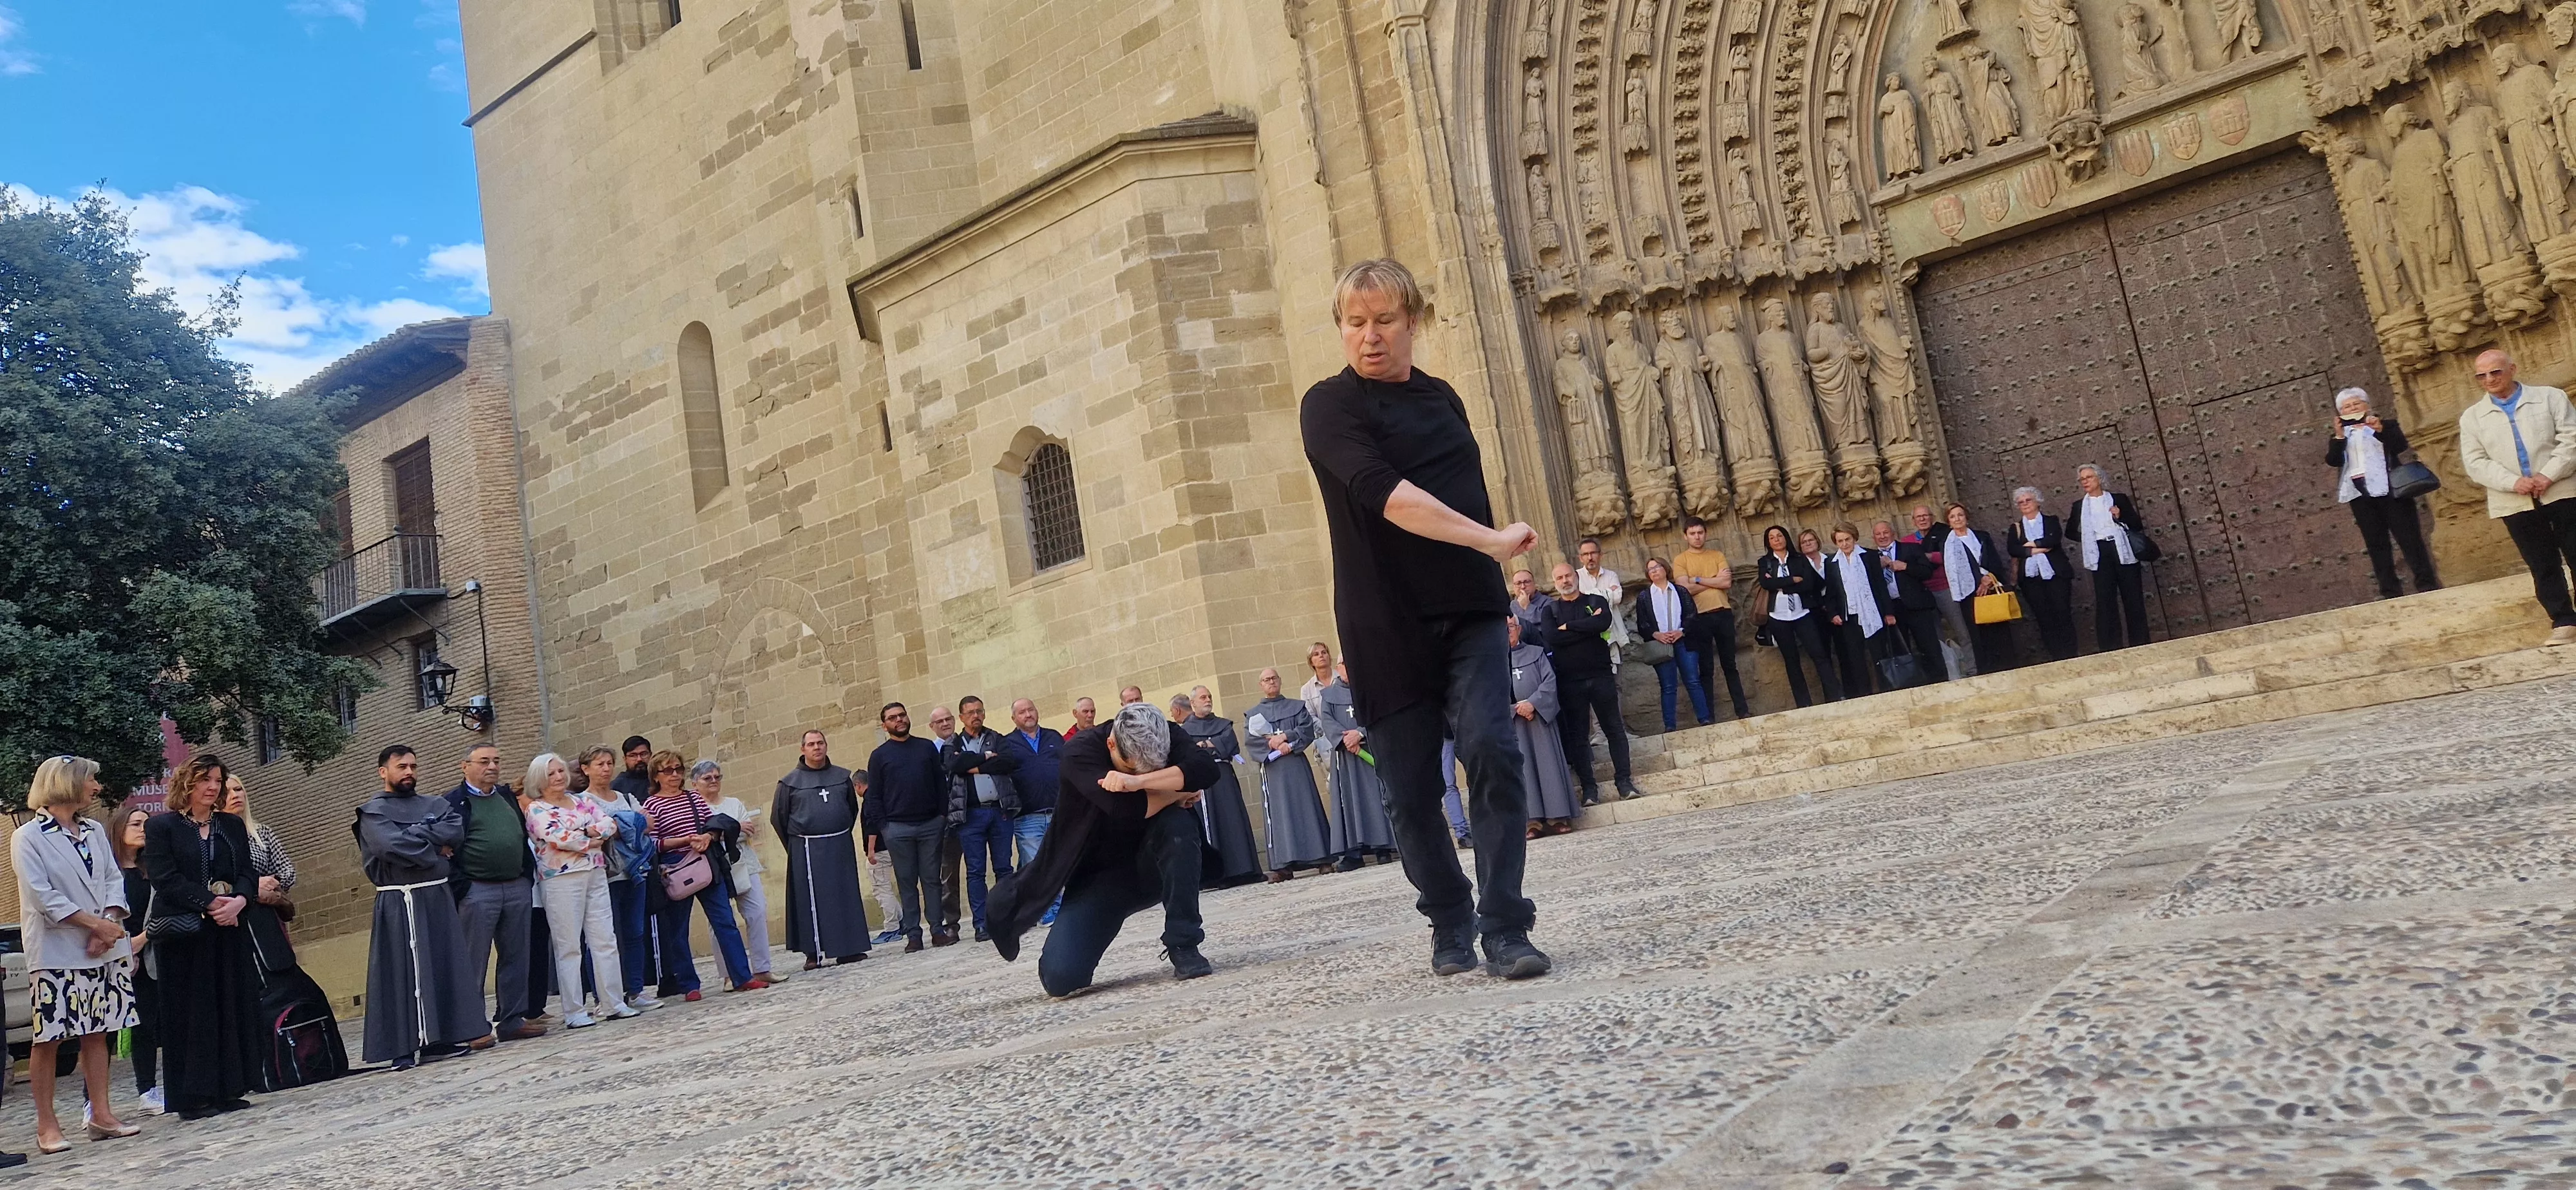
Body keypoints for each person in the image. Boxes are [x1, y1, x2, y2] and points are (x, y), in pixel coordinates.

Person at [1298, 256, 1548, 979]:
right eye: (1354, 323)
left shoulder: (1444, 398)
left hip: (1468, 606)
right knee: (1409, 792)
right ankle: (1448, 916)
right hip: (1383, 620)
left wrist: (1482, 555)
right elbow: (1387, 495)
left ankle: (1506, 925)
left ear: (1412, 321)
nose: (1369, 336)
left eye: (1384, 320)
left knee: (1491, 751)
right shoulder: (1328, 406)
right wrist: (1490, 541)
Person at [987, 703, 1225, 992]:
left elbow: (1206, 769)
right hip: (1101, 879)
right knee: (1061, 978)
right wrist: (1179, 790)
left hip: (1155, 864)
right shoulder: (1080, 752)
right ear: (1112, 744)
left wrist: (1137, 780)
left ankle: (1183, 943)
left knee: (1179, 826)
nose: (1142, 771)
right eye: (1131, 766)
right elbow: (1125, 809)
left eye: (1153, 767)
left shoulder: (1164, 732)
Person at [15, 756, 139, 1155]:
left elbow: (113, 879)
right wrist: (95, 925)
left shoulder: (95, 831)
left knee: (98, 1031)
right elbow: (41, 895)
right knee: (50, 1037)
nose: (97, 787)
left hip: (101, 947)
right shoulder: (28, 836)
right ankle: (47, 1125)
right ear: (67, 783)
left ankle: (101, 1114)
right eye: (91, 780)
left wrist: (109, 923)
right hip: (57, 950)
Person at [140, 756, 262, 1118]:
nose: (212, 787)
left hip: (227, 928)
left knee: (229, 1005)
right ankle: (192, 1098)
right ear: (186, 783)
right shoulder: (162, 827)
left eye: (218, 781)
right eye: (205, 780)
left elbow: (247, 872)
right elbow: (165, 878)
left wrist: (239, 902)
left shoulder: (230, 825)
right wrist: (209, 902)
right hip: (185, 936)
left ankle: (228, 1087)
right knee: (191, 1013)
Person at [356, 746, 489, 1070]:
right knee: (399, 972)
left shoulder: (436, 804)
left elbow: (454, 832)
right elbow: (389, 846)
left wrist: (414, 835)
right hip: (397, 900)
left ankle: (440, 1042)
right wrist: (434, 849)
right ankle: (402, 1048)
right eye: (401, 767)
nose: (409, 772)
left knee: (441, 966)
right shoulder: (373, 812)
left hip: (435, 897)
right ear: (383, 772)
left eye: (413, 766)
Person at [223, 775, 346, 1090]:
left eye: (239, 789)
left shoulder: (261, 833)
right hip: (236, 926)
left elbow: (288, 872)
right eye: (228, 791)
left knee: (300, 989)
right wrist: (253, 886)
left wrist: (271, 885)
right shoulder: (216, 838)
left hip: (269, 923)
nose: (236, 795)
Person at [2461, 349, 2576, 644]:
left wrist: (2549, 474)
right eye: (2481, 375)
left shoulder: (2550, 397)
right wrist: (2513, 483)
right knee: (2542, 563)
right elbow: (2476, 462)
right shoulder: (2472, 418)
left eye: (2495, 372)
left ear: (2512, 369)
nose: (2489, 379)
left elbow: (2571, 439)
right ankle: (2564, 621)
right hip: (2514, 501)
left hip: (2562, 490)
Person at [442, 743, 544, 1043]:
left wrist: (525, 877)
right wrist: (463, 887)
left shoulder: (506, 796)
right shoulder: (452, 803)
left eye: (496, 761)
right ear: (465, 766)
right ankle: (473, 1027)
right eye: (484, 761)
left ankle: (512, 1020)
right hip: (477, 890)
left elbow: (520, 836)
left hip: (515, 887)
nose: (492, 767)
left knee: (516, 956)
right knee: (473, 960)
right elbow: (444, 849)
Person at [526, 753, 636, 1028]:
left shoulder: (582, 801)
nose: (558, 777)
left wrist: (584, 834)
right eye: (551, 773)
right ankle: (574, 1010)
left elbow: (609, 824)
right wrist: (589, 836)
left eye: (561, 771)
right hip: (561, 879)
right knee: (569, 946)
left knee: (605, 939)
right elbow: (559, 838)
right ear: (539, 778)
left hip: (595, 872)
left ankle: (613, 1003)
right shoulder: (537, 809)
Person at [642, 751, 763, 997]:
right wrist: (685, 841)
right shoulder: (651, 805)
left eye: (678, 769)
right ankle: (689, 986)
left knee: (725, 921)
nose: (675, 775)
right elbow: (652, 843)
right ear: (656, 776)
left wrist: (708, 837)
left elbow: (714, 825)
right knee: (678, 930)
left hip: (705, 862)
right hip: (675, 868)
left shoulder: (694, 798)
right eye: (668, 770)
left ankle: (742, 976)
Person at [772, 730, 872, 968]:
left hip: (839, 844)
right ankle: (813, 953)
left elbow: (851, 810)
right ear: (803, 749)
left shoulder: (841, 777)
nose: (817, 748)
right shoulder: (789, 783)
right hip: (806, 848)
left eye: (820, 743)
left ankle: (848, 949)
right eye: (811, 744)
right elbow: (779, 818)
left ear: (826, 746)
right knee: (810, 901)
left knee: (844, 895)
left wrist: (837, 830)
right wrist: (797, 846)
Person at [2329, 386, 2442, 600]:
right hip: (2360, 495)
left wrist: (2379, 430)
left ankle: (2427, 584)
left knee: (2409, 538)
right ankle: (2390, 591)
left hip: (2392, 490)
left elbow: (2399, 446)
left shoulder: (2385, 425)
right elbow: (2333, 460)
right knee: (2376, 543)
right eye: (2346, 407)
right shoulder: (2342, 436)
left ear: (2367, 406)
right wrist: (2339, 436)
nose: (2352, 409)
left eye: (2356, 404)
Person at [1540, 560, 1638, 804]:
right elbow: (1552, 637)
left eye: (1568, 576)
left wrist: (1569, 627)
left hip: (1601, 676)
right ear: (1555, 583)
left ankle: (1624, 782)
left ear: (1576, 577)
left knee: (1614, 730)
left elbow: (1602, 623)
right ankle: (1589, 789)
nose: (1565, 581)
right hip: (1570, 682)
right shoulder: (1551, 611)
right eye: (1559, 578)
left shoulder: (1595, 601)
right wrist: (1586, 629)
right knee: (1579, 736)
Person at [864, 703, 954, 950]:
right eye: (892, 718)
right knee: (906, 882)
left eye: (902, 715)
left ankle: (937, 929)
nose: (899, 720)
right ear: (885, 726)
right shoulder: (879, 756)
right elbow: (874, 796)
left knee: (932, 879)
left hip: (930, 825)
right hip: (897, 829)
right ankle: (914, 934)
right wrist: (884, 827)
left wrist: (941, 816)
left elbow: (940, 784)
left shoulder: (925, 747)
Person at [579, 746, 663, 1009]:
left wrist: (617, 824)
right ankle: (603, 996)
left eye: (609, 763)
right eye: (599, 764)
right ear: (586, 769)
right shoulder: (582, 802)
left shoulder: (625, 797)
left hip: (634, 872)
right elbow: (594, 832)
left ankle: (636, 990)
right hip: (604, 875)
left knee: (635, 932)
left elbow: (649, 824)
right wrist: (628, 824)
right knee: (603, 937)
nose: (606, 769)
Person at [693, 760, 783, 984]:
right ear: (695, 783)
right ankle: (728, 974)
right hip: (713, 866)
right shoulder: (694, 808)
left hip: (743, 863)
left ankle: (762, 968)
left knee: (757, 911)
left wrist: (720, 832)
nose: (714, 781)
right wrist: (733, 828)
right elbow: (703, 835)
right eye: (707, 778)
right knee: (719, 920)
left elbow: (747, 831)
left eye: (717, 777)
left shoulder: (734, 804)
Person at [1245, 666, 1334, 882]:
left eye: (1274, 678)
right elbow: (1252, 741)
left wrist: (1288, 740)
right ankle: (1283, 866)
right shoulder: (1253, 714)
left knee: (1307, 808)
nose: (1271, 682)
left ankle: (1321, 858)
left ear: (1280, 680)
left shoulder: (1297, 707)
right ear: (1261, 685)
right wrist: (1276, 747)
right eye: (1267, 680)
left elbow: (1307, 730)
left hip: (1296, 764)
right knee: (1280, 815)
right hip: (1273, 770)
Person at [1316, 662, 1399, 868]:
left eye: (1349, 662)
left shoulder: (1368, 689)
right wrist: (1345, 740)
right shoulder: (1329, 696)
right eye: (1343, 664)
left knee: (1376, 798)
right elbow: (1327, 722)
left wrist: (1360, 733)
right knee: (1349, 802)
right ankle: (1354, 853)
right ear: (1338, 668)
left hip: (1371, 751)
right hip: (1346, 758)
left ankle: (1383, 848)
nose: (1347, 667)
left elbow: (1378, 714)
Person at [1180, 686, 1264, 887]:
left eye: (1209, 697)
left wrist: (1204, 745)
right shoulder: (1184, 731)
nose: (1208, 700)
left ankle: (1244, 870)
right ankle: (1218, 875)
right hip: (1202, 781)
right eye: (1203, 697)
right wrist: (1213, 745)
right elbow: (1188, 752)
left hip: (1224, 778)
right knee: (1211, 825)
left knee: (1233, 821)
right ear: (1193, 703)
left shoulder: (1223, 724)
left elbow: (1230, 743)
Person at [111, 806, 165, 1116]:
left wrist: (140, 942)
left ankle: (147, 1090)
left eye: (147, 823)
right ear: (120, 830)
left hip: (148, 954)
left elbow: (160, 912)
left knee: (146, 1024)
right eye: (136, 824)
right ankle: (92, 1102)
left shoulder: (153, 870)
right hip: (113, 955)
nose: (143, 829)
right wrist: (124, 948)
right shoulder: (109, 872)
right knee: (104, 1031)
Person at [1504, 618, 1578, 837]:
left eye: (1510, 627)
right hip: (1514, 725)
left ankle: (1557, 817)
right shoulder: (1492, 661)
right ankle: (1532, 822)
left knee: (1549, 767)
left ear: (1519, 629)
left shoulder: (1536, 654)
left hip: (1539, 720)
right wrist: (1515, 709)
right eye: (1502, 628)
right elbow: (1489, 693)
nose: (1507, 632)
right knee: (1523, 770)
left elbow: (1549, 682)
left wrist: (1533, 704)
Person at [1672, 516, 1752, 719]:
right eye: (1692, 533)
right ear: (1685, 536)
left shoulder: (1717, 555)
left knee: (1730, 664)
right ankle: (1709, 716)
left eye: (1700, 532)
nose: (1697, 537)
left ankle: (1742, 710)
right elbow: (1684, 589)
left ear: (1705, 534)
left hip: (1723, 612)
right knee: (1706, 668)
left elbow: (1726, 583)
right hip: (1699, 617)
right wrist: (1714, 581)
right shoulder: (1681, 560)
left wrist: (1697, 579)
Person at [1757, 524, 1841, 706]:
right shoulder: (1765, 562)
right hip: (1779, 616)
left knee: (1819, 654)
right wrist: (1793, 580)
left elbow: (1809, 584)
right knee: (1791, 661)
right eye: (1772, 538)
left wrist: (1781, 586)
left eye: (1779, 536)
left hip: (1802, 613)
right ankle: (1804, 704)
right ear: (1768, 543)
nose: (1777, 540)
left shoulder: (1799, 558)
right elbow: (1766, 584)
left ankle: (1836, 695)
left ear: (1786, 537)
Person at [2069, 463, 2151, 650]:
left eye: (2089, 477)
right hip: (2100, 553)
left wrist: (2120, 516)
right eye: (2082, 479)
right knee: (2105, 600)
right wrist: (2090, 539)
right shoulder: (2079, 506)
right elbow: (2070, 532)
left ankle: (2141, 644)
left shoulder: (2118, 499)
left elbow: (2136, 524)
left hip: (2122, 549)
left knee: (2133, 598)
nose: (2085, 482)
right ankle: (2110, 647)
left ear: (2099, 479)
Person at [999, 699, 1064, 926]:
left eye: (1031, 710)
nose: (1028, 715)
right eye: (1022, 712)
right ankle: (1046, 911)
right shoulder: (1006, 744)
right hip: (1028, 817)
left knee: (1060, 862)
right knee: (1036, 866)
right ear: (1014, 719)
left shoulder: (1053, 737)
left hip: (1058, 812)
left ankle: (1060, 907)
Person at [1821, 522, 1898, 696]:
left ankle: (1887, 691)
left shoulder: (1869, 556)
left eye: (1847, 539)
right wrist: (1833, 613)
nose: (1844, 544)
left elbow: (1880, 586)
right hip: (1850, 617)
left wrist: (1888, 612)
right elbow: (1832, 591)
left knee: (1879, 654)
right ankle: (1864, 695)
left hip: (1872, 613)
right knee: (1856, 658)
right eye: (1840, 541)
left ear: (1854, 538)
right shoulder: (1832, 562)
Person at [1943, 501, 2019, 673]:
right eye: (1953, 517)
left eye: (1960, 515)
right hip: (1970, 593)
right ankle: (1988, 671)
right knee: (1978, 633)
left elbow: (1994, 559)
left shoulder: (1982, 536)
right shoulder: (1948, 544)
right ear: (1949, 521)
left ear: (1967, 517)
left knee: (2000, 628)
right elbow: (1955, 570)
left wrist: (1989, 578)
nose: (1957, 519)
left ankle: (2009, 667)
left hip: (1992, 587)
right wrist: (1979, 581)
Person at [1634, 556, 1706, 731]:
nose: (1654, 571)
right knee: (1668, 686)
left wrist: (1681, 631)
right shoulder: (1644, 597)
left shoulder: (1680, 591)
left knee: (1693, 681)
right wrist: (1656, 634)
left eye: (1657, 567)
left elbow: (1692, 615)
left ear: (1666, 568)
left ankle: (1705, 719)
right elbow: (1642, 623)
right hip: (1661, 644)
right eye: (1650, 569)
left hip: (1684, 641)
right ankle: (1670, 726)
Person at [2005, 486, 2078, 661]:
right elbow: (2013, 549)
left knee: (2063, 614)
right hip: (2031, 580)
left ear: (2037, 501)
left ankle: (2071, 655)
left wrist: (2030, 544)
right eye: (2021, 502)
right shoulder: (2015, 528)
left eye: (2028, 500)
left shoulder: (2051, 521)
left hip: (2056, 576)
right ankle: (2056, 657)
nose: (2025, 504)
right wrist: (2038, 549)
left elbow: (2053, 540)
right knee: (2044, 617)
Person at [1902, 504, 1974, 677]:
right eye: (1919, 517)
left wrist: (1926, 557)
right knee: (1935, 638)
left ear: (1932, 518)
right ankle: (1949, 673)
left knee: (1962, 631)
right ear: (1913, 521)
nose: (1922, 519)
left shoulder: (1945, 535)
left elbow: (1951, 556)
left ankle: (1972, 669)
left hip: (1945, 588)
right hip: (1923, 593)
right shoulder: (1907, 542)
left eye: (1926, 516)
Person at [1875, 519, 1948, 683]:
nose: (1882, 536)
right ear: (1874, 538)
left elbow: (1927, 572)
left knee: (1929, 646)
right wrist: (1877, 567)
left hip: (1917, 606)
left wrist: (1906, 567)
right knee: (1900, 651)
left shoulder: (1911, 548)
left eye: (1885, 532)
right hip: (1892, 610)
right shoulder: (1871, 558)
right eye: (1878, 534)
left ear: (1893, 533)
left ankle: (1940, 682)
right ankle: (1910, 686)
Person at [857, 770, 909, 945]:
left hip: (879, 851)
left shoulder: (870, 800)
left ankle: (892, 927)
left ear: (858, 785)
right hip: (891, 847)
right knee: (885, 888)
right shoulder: (881, 796)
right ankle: (901, 921)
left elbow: (872, 826)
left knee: (881, 890)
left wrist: (871, 850)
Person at [1575, 538, 1629, 675]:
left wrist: (1590, 595)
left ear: (1601, 555)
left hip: (1612, 631)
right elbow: (1579, 602)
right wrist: (1607, 592)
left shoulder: (1611, 575)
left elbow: (1617, 597)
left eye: (1593, 553)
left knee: (1616, 676)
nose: (1590, 557)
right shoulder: (1576, 577)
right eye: (1586, 554)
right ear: (1580, 558)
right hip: (1588, 634)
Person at [611, 736, 655, 803]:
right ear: (625, 759)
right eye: (633, 756)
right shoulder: (617, 787)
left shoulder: (661, 778)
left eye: (644, 754)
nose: (639, 759)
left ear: (651, 755)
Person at [1509, 567, 1549, 639]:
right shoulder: (1512, 605)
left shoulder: (1548, 602)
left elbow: (1547, 622)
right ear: (1514, 587)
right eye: (1518, 584)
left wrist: (1527, 606)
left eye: (1527, 582)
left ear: (1534, 584)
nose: (1523, 587)